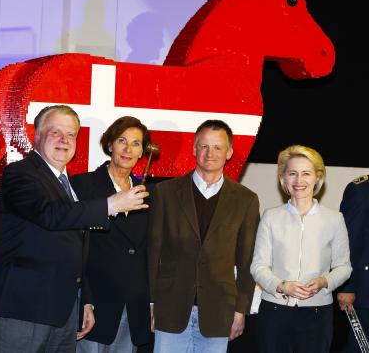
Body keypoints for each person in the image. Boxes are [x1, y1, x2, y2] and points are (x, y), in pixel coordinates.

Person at [0, 105, 149, 353]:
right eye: (55, 132)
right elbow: (49, 215)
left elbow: (77, 244)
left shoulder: (65, 183)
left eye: (71, 134)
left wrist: (84, 300)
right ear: (36, 136)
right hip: (24, 308)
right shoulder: (20, 173)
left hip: (64, 311)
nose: (64, 140)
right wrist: (110, 205)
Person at [148, 119, 260, 353]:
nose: (211, 153)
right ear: (194, 148)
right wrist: (151, 302)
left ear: (229, 152)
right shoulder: (165, 192)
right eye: (204, 146)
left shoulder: (246, 199)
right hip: (170, 307)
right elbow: (153, 251)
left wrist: (241, 310)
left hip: (220, 311)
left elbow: (248, 259)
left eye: (218, 147)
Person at [250, 145, 352, 353]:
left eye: (306, 173)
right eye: (292, 174)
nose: (299, 180)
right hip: (275, 311)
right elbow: (258, 266)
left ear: (317, 177)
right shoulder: (271, 216)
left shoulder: (334, 219)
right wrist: (282, 285)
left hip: (317, 313)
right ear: (284, 179)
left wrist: (325, 281)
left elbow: (344, 267)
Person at [73, 116, 152, 353]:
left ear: (142, 152)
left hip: (132, 303)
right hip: (94, 300)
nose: (128, 149)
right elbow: (75, 246)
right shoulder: (83, 185)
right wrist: (84, 297)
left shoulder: (148, 194)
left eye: (136, 143)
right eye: (122, 140)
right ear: (110, 145)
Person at [337, 174, 369, 353]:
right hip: (366, 291)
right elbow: (348, 241)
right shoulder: (361, 190)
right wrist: (347, 286)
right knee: (360, 347)